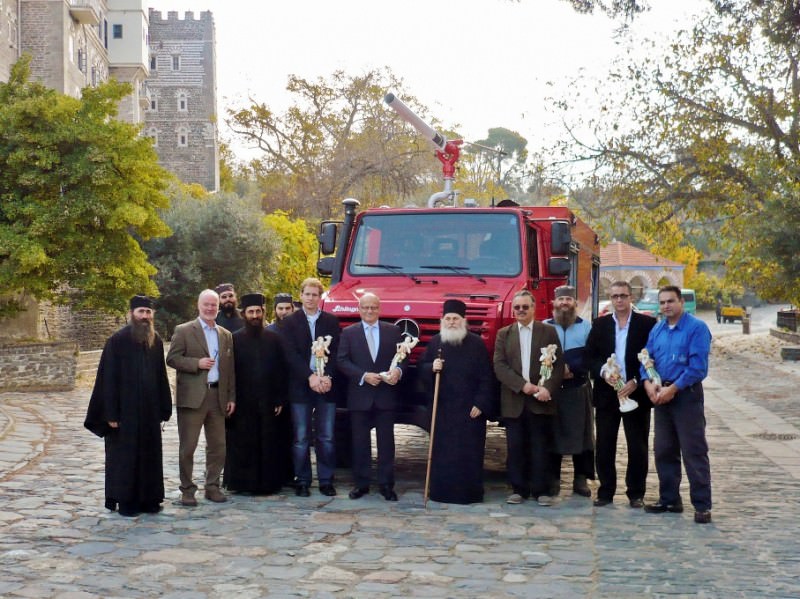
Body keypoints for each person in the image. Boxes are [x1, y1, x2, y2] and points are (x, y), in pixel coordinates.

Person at [84, 295, 173, 517]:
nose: (144, 316)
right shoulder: (117, 341)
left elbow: (161, 376)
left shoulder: (156, 340)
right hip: (124, 414)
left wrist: (164, 407)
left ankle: (150, 499)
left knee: (150, 456)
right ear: (132, 313)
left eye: (148, 312)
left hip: (150, 413)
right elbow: (108, 379)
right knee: (125, 458)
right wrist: (111, 413)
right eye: (141, 312)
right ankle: (126, 501)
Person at [641, 285, 713, 524]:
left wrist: (674, 389)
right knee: (664, 450)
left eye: (670, 301)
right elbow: (646, 359)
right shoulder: (658, 328)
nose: (665, 306)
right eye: (662, 302)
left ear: (681, 302)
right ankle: (670, 499)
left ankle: (702, 505)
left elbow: (698, 367)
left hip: (685, 396)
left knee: (693, 452)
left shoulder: (696, 329)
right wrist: (647, 383)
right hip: (661, 396)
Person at [585, 281, 656, 508]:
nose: (619, 300)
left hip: (635, 393)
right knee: (605, 444)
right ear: (610, 297)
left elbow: (652, 357)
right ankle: (605, 491)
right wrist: (604, 372)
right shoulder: (600, 324)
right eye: (615, 296)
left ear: (630, 297)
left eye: (623, 296)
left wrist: (637, 380)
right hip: (607, 394)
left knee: (638, 446)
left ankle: (636, 493)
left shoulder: (647, 324)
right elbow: (590, 357)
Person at [418, 299, 495, 504]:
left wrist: (481, 403)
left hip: (470, 411)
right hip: (443, 410)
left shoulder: (476, 344)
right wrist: (431, 367)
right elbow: (422, 369)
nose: (452, 322)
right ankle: (440, 493)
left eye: (456, 318)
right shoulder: (435, 343)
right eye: (448, 318)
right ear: (442, 320)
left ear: (464, 320)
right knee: (443, 454)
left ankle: (468, 494)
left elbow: (487, 377)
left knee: (468, 454)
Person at [494, 290, 564, 506]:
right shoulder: (504, 334)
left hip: (541, 401)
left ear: (533, 308)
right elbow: (499, 365)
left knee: (540, 447)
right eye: (517, 307)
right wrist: (522, 386)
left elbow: (558, 365)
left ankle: (541, 490)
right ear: (513, 310)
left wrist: (548, 389)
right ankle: (519, 489)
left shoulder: (548, 332)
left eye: (525, 307)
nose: (521, 310)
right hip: (514, 399)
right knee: (516, 447)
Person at [166, 289, 236, 506]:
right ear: (198, 305)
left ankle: (212, 486)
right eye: (206, 304)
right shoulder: (184, 330)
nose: (210, 308)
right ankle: (187, 490)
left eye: (213, 305)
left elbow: (230, 369)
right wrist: (196, 364)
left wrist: (231, 396)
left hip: (217, 396)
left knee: (218, 445)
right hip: (193, 397)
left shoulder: (225, 335)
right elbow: (172, 358)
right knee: (188, 446)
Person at [337, 293, 403, 501]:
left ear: (379, 309)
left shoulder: (393, 331)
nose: (369, 311)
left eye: (373, 307)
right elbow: (342, 360)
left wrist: (398, 372)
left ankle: (386, 485)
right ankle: (361, 484)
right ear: (359, 309)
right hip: (360, 395)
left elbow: (402, 358)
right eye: (365, 307)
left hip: (385, 396)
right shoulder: (348, 333)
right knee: (359, 443)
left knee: (386, 443)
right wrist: (363, 376)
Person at [280, 277, 341, 497]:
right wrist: (309, 376)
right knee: (301, 437)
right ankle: (303, 479)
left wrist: (328, 377)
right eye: (307, 294)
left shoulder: (331, 322)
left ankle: (326, 480)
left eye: (315, 294)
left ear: (320, 297)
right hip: (301, 386)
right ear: (301, 295)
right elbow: (290, 355)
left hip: (326, 387)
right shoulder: (289, 322)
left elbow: (336, 354)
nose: (311, 298)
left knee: (326, 437)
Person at [224, 293, 288, 495]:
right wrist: (231, 398)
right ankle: (243, 483)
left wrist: (279, 398)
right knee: (243, 442)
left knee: (268, 442)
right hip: (243, 401)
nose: (254, 315)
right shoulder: (234, 339)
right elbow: (229, 372)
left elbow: (280, 370)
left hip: (268, 400)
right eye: (251, 312)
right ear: (244, 314)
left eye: (258, 311)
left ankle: (267, 484)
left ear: (263, 313)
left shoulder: (274, 339)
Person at [544, 285, 595, 498]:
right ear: (554, 303)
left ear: (575, 303)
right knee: (553, 433)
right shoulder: (544, 326)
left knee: (583, 436)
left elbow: (592, 356)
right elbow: (539, 354)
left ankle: (580, 479)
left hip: (578, 388)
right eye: (561, 299)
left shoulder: (586, 327)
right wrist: (557, 369)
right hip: (553, 391)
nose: (564, 303)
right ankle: (553, 478)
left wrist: (572, 368)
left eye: (568, 299)